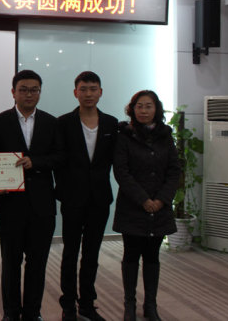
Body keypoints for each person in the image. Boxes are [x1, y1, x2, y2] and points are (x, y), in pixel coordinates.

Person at [0, 69, 63, 321]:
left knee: (37, 263)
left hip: (42, 204)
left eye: (34, 90)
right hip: (10, 203)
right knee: (10, 263)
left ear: (40, 93)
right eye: (23, 90)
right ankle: (10, 313)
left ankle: (33, 312)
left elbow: (59, 157)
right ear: (13, 92)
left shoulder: (52, 122)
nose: (29, 94)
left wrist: (35, 162)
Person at [56, 71, 118, 321]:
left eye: (93, 89)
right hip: (72, 198)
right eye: (83, 89)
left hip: (100, 198)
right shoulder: (63, 123)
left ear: (100, 92)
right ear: (75, 92)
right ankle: (68, 305)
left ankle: (87, 304)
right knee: (70, 252)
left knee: (92, 253)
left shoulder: (112, 124)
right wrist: (64, 189)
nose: (88, 94)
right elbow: (58, 161)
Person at [113, 90, 180, 321]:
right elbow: (122, 172)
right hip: (133, 206)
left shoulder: (165, 135)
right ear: (132, 109)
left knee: (152, 257)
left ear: (156, 109)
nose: (143, 110)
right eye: (139, 106)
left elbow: (174, 171)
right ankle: (129, 304)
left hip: (159, 208)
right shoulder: (124, 135)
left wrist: (161, 200)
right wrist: (143, 200)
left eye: (148, 106)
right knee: (131, 256)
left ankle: (151, 305)